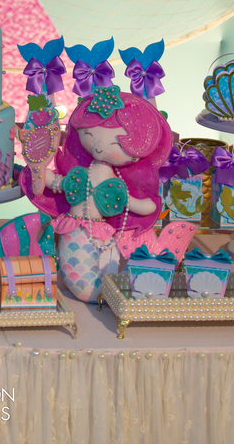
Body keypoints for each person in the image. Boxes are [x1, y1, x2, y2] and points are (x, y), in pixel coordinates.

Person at [22, 87, 195, 300]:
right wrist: (39, 172)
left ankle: (106, 291)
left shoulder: (114, 186)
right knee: (80, 270)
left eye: (115, 143)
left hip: (98, 233)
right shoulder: (80, 176)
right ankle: (95, 291)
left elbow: (134, 203)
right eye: (89, 135)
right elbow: (56, 182)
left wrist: (141, 205)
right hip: (75, 229)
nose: (98, 147)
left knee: (103, 267)